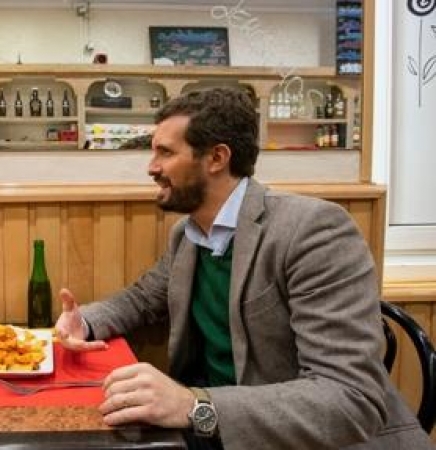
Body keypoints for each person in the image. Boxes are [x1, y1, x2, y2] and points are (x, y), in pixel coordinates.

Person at [55, 87, 433, 450]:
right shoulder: (188, 236)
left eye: (165, 153)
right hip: (215, 428)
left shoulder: (314, 230)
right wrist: (84, 321)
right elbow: (142, 299)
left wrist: (193, 405)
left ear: (217, 158)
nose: (152, 168)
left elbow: (349, 400)